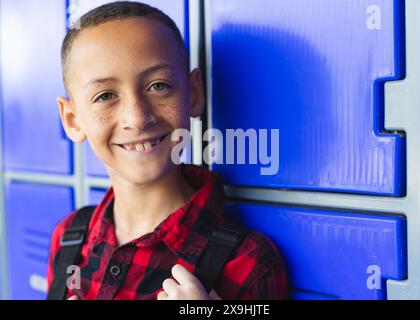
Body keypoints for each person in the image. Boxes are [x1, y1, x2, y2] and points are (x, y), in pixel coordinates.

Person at [47, 1, 289, 300]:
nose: (137, 118)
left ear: (195, 94)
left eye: (158, 86)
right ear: (72, 120)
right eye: (106, 95)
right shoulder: (68, 239)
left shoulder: (248, 263)